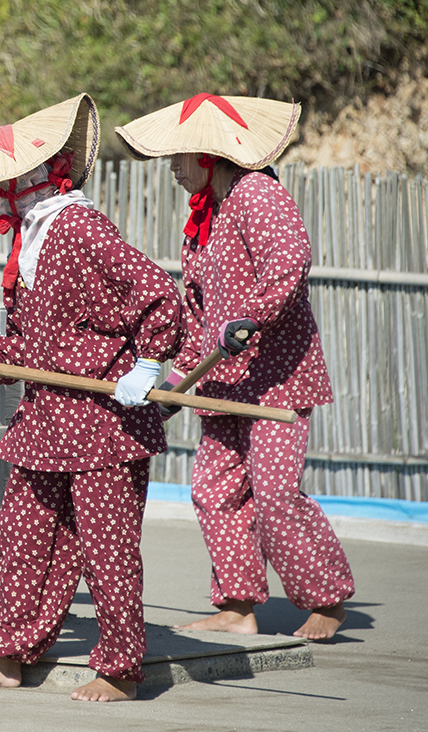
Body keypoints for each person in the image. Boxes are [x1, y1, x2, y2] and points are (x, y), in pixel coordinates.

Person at [0, 94, 184, 701]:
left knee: (107, 548)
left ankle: (119, 668)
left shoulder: (78, 224)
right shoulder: (35, 234)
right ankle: (8, 654)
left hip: (101, 419)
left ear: (22, 183)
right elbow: (42, 342)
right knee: (26, 532)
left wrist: (147, 362)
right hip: (48, 416)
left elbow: (157, 293)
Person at [115, 92, 354, 640]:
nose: (172, 170)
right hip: (223, 381)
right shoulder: (205, 216)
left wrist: (251, 317)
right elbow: (201, 316)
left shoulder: (256, 193)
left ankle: (326, 600)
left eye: (178, 159)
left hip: (276, 376)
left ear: (207, 156)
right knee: (213, 487)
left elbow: (290, 261)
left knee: (272, 492)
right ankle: (239, 603)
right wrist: (172, 380)